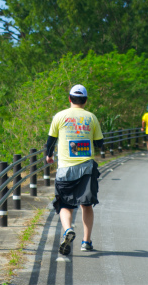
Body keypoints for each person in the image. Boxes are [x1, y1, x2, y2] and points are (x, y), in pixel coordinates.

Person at [45, 84, 104, 255]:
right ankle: (86, 242)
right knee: (87, 205)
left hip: (65, 169)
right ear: (85, 100)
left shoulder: (59, 116)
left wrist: (48, 156)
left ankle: (67, 230)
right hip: (86, 168)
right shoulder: (91, 118)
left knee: (65, 204)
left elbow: (50, 142)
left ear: (69, 99)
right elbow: (100, 143)